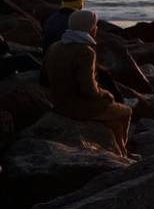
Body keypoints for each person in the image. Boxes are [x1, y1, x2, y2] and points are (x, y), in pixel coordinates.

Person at [44, 9, 132, 156]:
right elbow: (89, 89)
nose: (97, 28)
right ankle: (124, 153)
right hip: (76, 107)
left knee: (114, 122)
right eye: (95, 25)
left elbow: (45, 77)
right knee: (126, 111)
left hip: (57, 102)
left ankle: (121, 151)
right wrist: (106, 94)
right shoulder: (85, 51)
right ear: (89, 28)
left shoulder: (56, 46)